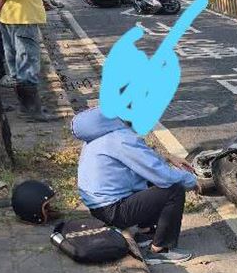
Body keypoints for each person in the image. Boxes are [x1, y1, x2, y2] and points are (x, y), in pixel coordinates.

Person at [71, 108, 197, 263]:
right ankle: (160, 249)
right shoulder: (120, 139)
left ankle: (146, 232)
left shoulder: (99, 137)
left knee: (152, 180)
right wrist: (193, 181)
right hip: (114, 210)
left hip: (101, 207)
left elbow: (143, 159)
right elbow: (162, 175)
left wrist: (167, 157)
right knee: (173, 189)